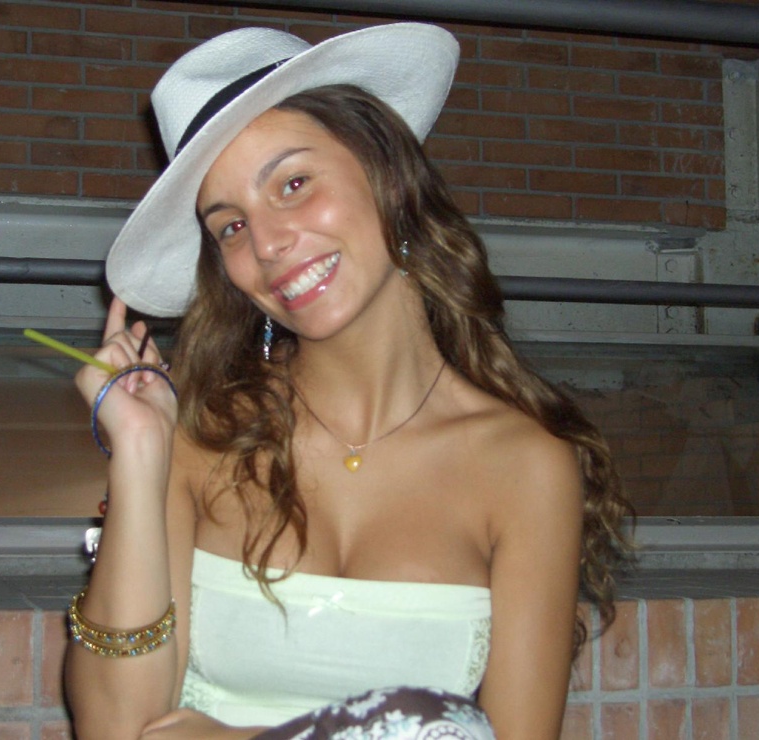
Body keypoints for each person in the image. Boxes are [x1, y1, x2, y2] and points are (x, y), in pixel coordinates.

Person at [64, 22, 634, 740]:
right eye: (230, 226)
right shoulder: (199, 436)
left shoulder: (524, 467)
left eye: (292, 184)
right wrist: (142, 454)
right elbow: (112, 728)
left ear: (386, 176)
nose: (267, 243)